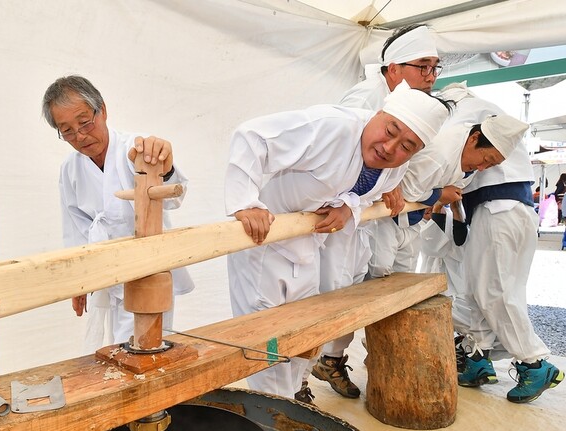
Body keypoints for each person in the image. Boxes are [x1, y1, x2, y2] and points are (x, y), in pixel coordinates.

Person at [224, 86, 450, 400]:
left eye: (406, 146)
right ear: (379, 114)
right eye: (390, 130)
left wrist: (349, 207)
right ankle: (271, 411)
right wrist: (245, 202)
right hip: (266, 244)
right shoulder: (332, 126)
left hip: (306, 245)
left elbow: (365, 191)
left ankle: (290, 399)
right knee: (269, 341)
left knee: (303, 333)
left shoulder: (396, 165)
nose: (389, 147)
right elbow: (252, 136)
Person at [311, 23, 443, 401]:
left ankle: (330, 361)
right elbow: (345, 155)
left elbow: (387, 160)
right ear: (393, 68)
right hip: (331, 214)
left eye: (435, 68)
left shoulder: (409, 107)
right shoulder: (367, 95)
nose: (430, 77)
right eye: (422, 66)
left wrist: (391, 181)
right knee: (322, 295)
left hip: (355, 219)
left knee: (349, 291)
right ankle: (300, 379)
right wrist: (382, 185)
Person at [42, 75, 194, 349]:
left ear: (102, 110)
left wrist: (165, 165)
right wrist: (81, 280)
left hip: (148, 269)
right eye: (67, 131)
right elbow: (76, 226)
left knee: (147, 347)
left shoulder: (134, 150)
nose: (80, 136)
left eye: (84, 122)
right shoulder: (70, 168)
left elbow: (174, 197)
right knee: (116, 348)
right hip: (107, 272)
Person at [439, 83, 563, 403]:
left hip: (497, 210)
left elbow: (448, 167)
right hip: (520, 211)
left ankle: (534, 363)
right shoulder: (491, 110)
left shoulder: (462, 116)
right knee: (489, 288)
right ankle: (478, 358)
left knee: (494, 291)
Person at [369, 114, 527, 279]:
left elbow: (458, 186)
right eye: (486, 159)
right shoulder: (442, 153)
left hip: (412, 220)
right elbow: (407, 190)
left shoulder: (470, 156)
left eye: (491, 165)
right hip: (385, 217)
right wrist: (440, 194)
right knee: (377, 273)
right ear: (474, 138)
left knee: (403, 278)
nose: (482, 168)